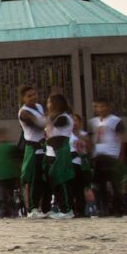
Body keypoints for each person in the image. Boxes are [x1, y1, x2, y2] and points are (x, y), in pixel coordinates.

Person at [90, 98, 126, 217]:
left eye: (102, 106)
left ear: (108, 107)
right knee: (100, 184)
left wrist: (122, 155)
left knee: (115, 183)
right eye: (97, 107)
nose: (100, 109)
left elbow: (122, 138)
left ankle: (118, 209)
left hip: (111, 155)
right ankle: (104, 208)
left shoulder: (116, 121)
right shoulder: (93, 122)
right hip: (99, 155)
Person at [18, 85, 49, 219]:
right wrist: (53, 116)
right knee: (33, 178)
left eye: (34, 94)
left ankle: (43, 207)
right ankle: (32, 208)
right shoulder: (23, 112)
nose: (33, 97)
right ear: (23, 98)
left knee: (43, 179)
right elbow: (39, 125)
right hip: (32, 146)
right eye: (29, 96)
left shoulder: (40, 107)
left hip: (43, 145)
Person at [44, 93, 76, 219]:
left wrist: (47, 119)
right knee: (55, 180)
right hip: (54, 151)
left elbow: (56, 124)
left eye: (49, 102)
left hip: (61, 150)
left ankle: (67, 209)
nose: (47, 105)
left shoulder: (64, 117)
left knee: (60, 179)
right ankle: (63, 208)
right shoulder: (54, 118)